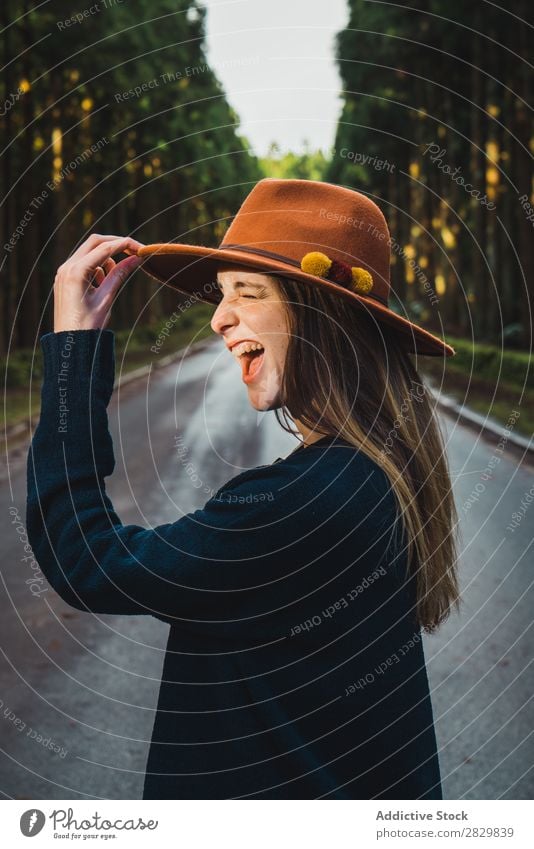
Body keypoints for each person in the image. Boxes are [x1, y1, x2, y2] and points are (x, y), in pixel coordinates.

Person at [26, 178, 460, 799]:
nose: (218, 317)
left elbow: (86, 561)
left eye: (248, 293)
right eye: (221, 294)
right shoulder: (377, 474)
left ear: (323, 319)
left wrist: (73, 352)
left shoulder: (302, 503)